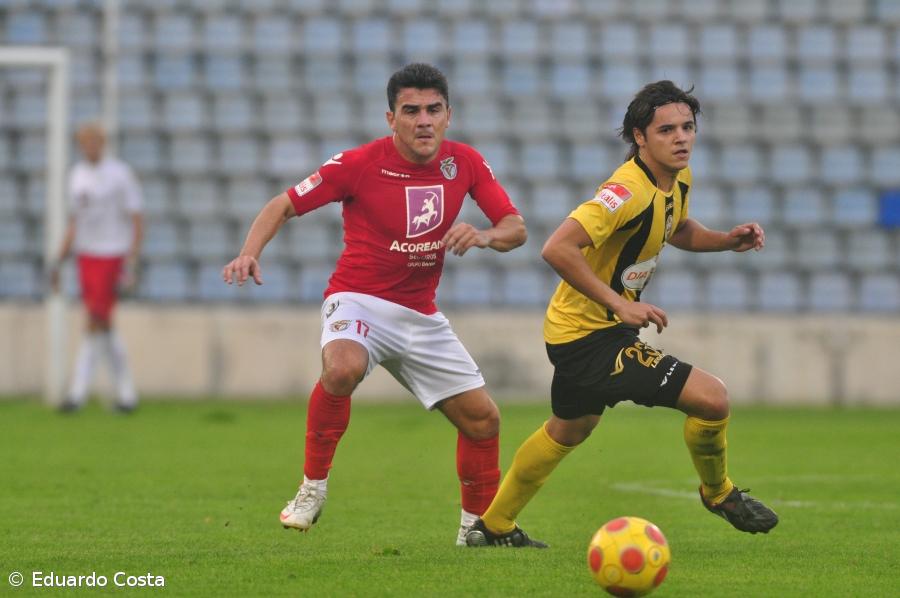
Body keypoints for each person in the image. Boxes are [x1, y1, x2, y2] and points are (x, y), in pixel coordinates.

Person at [222, 63, 540, 546]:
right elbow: (282, 204)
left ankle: (476, 532)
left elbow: (516, 227)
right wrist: (250, 251)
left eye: (433, 110)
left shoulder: (465, 163)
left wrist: (484, 235)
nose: (423, 121)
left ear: (449, 115)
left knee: (484, 421)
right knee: (343, 368)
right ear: (391, 118)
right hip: (359, 300)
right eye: (411, 111)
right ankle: (312, 489)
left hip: (420, 313)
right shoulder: (358, 164)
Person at [466, 80, 779, 548]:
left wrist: (724, 241)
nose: (681, 138)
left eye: (688, 127)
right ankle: (719, 493)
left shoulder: (678, 178)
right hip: (589, 337)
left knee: (569, 428)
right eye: (667, 130)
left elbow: (675, 228)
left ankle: (493, 527)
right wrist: (616, 303)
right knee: (712, 399)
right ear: (639, 137)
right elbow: (557, 248)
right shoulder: (623, 191)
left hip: (581, 331)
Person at [52, 122, 143, 413]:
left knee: (95, 320)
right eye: (85, 142)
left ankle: (79, 394)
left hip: (111, 253)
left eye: (95, 141)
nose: (90, 146)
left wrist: (131, 259)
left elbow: (137, 218)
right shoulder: (76, 175)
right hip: (86, 255)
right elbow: (75, 221)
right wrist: (59, 258)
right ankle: (125, 395)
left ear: (103, 143)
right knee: (100, 323)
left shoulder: (120, 174)